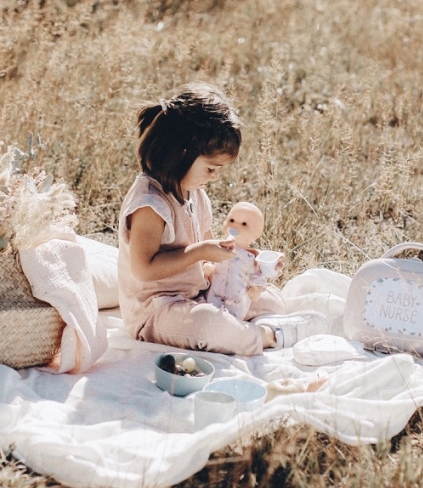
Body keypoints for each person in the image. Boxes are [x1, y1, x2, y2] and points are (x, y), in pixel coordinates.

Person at [117, 82, 327, 355]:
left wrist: (243, 261)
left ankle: (246, 323)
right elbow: (144, 269)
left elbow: (208, 258)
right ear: (182, 153)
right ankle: (265, 336)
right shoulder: (150, 204)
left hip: (198, 294)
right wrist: (200, 252)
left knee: (271, 300)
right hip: (156, 311)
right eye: (211, 168)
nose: (215, 176)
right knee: (209, 325)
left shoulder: (195, 194)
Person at [205, 201, 270, 321]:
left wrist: (256, 288)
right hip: (212, 296)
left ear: (256, 233)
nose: (235, 226)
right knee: (208, 313)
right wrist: (207, 267)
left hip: (236, 302)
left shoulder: (250, 257)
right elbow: (210, 259)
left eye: (244, 224)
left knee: (230, 321)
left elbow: (258, 275)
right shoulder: (218, 247)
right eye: (231, 220)